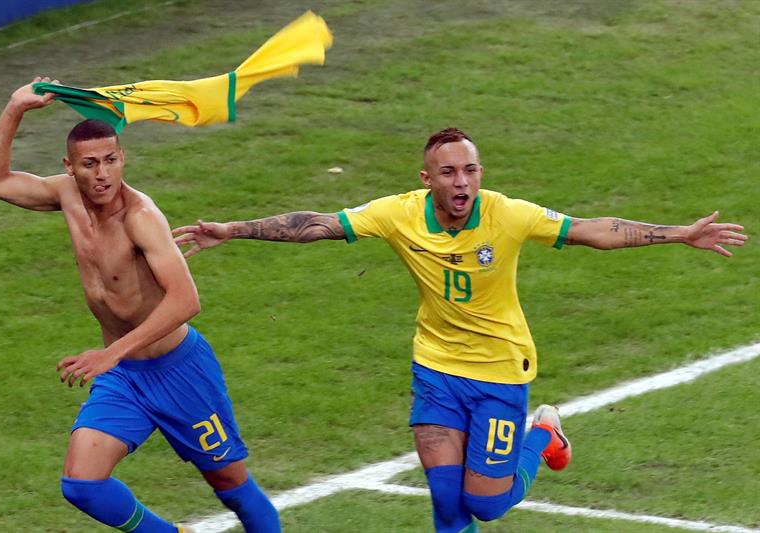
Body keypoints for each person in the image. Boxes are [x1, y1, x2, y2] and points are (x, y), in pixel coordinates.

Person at [173, 127, 748, 532]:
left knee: (486, 505)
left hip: (500, 374)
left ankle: (544, 433)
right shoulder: (398, 213)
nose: (462, 181)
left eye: (470, 170)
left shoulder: (507, 214)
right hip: (437, 371)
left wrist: (679, 233)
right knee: (448, 505)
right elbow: (316, 224)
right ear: (428, 179)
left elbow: (593, 230)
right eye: (449, 172)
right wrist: (234, 229)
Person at [0, 78, 281, 533]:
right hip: (124, 378)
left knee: (230, 484)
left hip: (178, 371)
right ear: (70, 166)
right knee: (82, 485)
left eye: (111, 161)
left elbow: (186, 300)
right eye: (90, 164)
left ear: (123, 159)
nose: (102, 174)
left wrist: (109, 353)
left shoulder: (141, 217)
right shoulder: (65, 195)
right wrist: (15, 106)